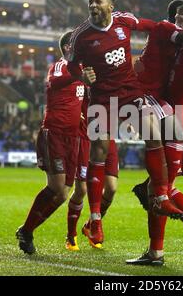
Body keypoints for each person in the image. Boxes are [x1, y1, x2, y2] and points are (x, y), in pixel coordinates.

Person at [67, 0, 183, 248]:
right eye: (90, 2)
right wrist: (81, 76)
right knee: (99, 152)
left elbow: (152, 26)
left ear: (110, 6)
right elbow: (71, 63)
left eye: (97, 1)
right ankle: (95, 220)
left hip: (131, 92)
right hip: (102, 100)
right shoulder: (81, 36)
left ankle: (161, 196)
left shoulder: (123, 20)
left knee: (154, 134)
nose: (92, 5)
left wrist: (176, 35)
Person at [127, 3, 183, 267]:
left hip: (180, 122)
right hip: (168, 116)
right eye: (176, 18)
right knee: (158, 188)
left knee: (162, 188)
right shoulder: (182, 49)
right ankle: (161, 250)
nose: (178, 22)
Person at [15, 31, 95, 254]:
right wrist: (80, 78)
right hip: (56, 133)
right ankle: (27, 230)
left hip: (74, 138)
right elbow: (55, 81)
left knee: (62, 194)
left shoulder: (82, 71)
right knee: (57, 187)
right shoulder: (61, 65)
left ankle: (27, 230)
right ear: (69, 47)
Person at [66, 86, 119, 250]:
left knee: (111, 188)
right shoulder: (83, 72)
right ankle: (71, 235)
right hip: (85, 136)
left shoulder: (112, 74)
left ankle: (90, 225)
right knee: (81, 189)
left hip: (106, 136)